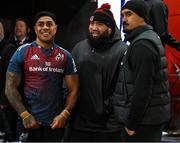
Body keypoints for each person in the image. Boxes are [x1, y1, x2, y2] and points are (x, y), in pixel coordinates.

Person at [5, 11, 79, 142]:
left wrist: (65, 114)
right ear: (35, 29)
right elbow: (10, 88)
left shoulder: (65, 55)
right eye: (41, 24)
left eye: (49, 24)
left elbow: (74, 90)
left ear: (55, 28)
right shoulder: (22, 51)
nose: (45, 27)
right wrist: (24, 114)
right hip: (27, 122)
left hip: (54, 124)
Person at [112, 0, 171, 141]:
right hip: (148, 119)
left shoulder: (142, 45)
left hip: (142, 123)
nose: (124, 19)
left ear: (143, 16)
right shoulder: (146, 39)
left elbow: (142, 90)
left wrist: (131, 125)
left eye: (129, 14)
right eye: (122, 15)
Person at [68, 3, 127, 142]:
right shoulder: (79, 48)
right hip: (80, 124)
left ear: (110, 27)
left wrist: (105, 109)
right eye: (92, 23)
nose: (94, 28)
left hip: (109, 127)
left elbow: (124, 89)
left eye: (99, 24)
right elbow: (69, 82)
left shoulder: (122, 50)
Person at [0, 19, 17, 141]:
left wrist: (4, 100)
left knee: (7, 135)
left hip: (4, 104)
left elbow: (11, 79)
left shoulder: (9, 49)